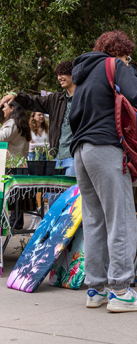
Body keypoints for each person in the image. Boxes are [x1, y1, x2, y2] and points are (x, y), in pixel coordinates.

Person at [70, 30, 137, 312]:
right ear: (119, 52)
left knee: (94, 221)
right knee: (122, 219)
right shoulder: (113, 65)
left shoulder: (82, 76)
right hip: (105, 149)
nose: (129, 63)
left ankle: (96, 289)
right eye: (128, 57)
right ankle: (120, 291)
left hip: (80, 153)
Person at [0, 61, 77, 176]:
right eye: (57, 74)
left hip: (76, 158)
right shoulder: (55, 99)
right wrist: (15, 95)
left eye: (63, 74)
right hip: (57, 159)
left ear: (74, 74)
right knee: (57, 193)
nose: (59, 78)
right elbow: (33, 101)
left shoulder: (84, 98)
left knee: (73, 193)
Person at [1, 101, 32, 230]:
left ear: (12, 108)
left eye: (5, 107)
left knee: (10, 195)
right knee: (16, 196)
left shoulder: (13, 122)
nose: (3, 109)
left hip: (11, 164)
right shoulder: (21, 124)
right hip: (20, 163)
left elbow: (3, 137)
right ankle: (16, 222)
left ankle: (10, 222)